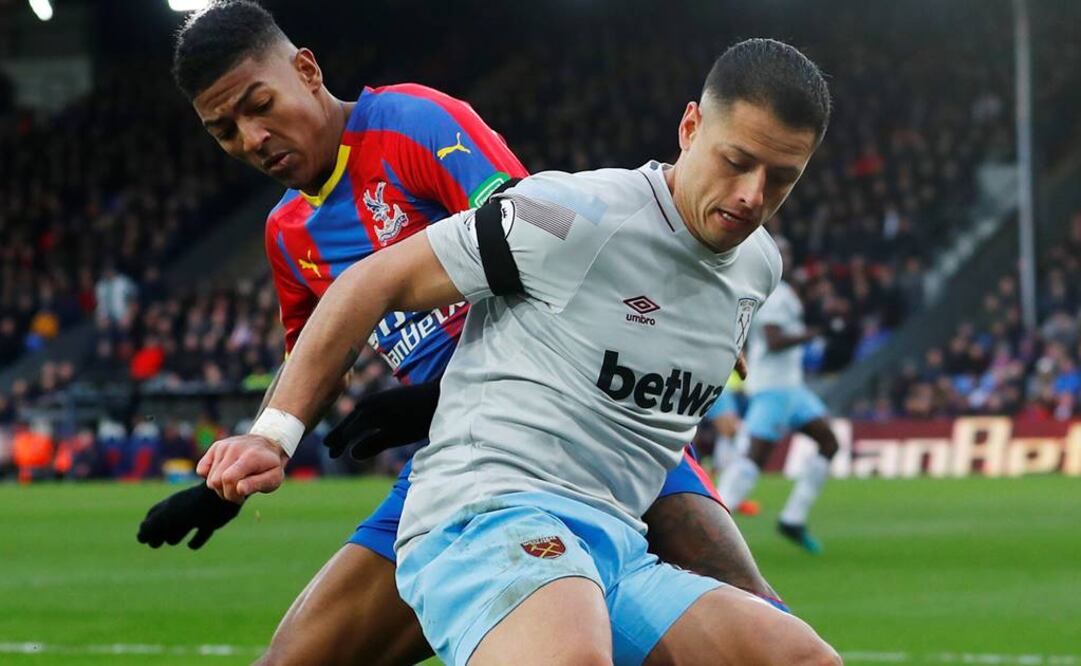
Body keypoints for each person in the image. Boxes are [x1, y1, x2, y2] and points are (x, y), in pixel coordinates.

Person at [139, 2, 780, 664]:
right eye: (225, 131)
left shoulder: (412, 124)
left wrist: (429, 399)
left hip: (590, 424)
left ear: (305, 70)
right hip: (464, 466)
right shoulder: (287, 234)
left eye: (259, 104)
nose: (251, 138)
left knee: (756, 630)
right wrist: (248, 460)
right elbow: (314, 355)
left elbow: (542, 244)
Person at [716, 278, 840, 553]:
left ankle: (792, 519)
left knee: (830, 443)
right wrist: (814, 334)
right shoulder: (773, 291)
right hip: (773, 389)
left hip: (792, 388)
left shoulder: (788, 294)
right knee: (754, 458)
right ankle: (714, 523)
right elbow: (773, 340)